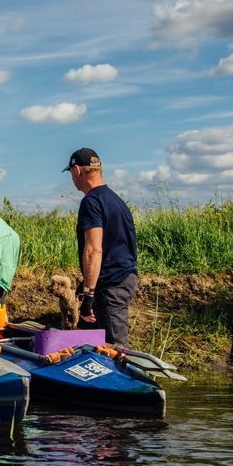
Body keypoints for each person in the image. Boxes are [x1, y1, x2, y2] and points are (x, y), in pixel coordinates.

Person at [63, 147, 137, 346]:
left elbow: (93, 250)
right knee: (95, 340)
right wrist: (85, 284)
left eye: (71, 174)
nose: (72, 179)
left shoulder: (91, 202)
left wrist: (89, 293)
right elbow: (115, 244)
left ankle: (128, 375)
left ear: (77, 170)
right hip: (121, 277)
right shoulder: (116, 201)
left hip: (112, 283)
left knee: (115, 347)